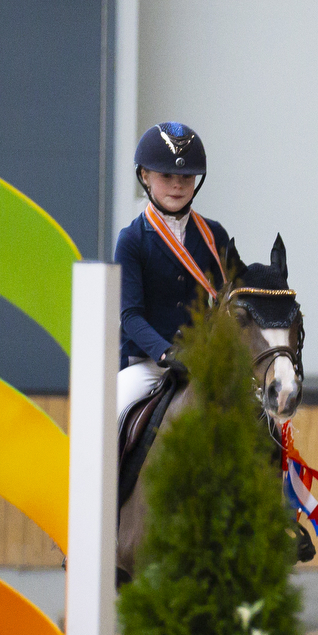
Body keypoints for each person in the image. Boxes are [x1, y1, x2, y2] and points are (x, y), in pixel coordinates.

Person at [116, 122, 230, 424]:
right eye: (166, 176)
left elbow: (230, 301)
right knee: (115, 409)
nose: (177, 185)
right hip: (149, 363)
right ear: (145, 176)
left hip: (202, 361)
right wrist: (166, 353)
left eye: (186, 177)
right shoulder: (132, 240)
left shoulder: (214, 235)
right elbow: (130, 316)